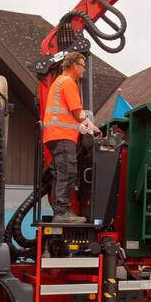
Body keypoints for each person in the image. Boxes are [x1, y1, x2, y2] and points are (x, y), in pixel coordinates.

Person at [42, 52, 98, 224]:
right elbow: (78, 112)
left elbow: (67, 115)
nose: (83, 70)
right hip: (62, 135)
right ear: (74, 65)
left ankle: (61, 210)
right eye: (82, 66)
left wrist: (80, 127)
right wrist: (92, 127)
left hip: (55, 135)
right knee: (68, 172)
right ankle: (62, 212)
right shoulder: (68, 82)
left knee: (60, 173)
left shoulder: (59, 82)